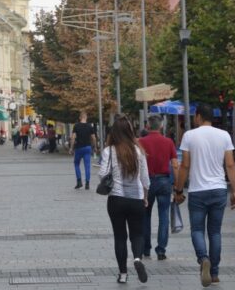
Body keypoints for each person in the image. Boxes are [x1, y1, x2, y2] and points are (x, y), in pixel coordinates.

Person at [174, 104, 235, 287]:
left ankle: (203, 258)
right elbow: (230, 165)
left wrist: (179, 190)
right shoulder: (224, 135)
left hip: (197, 191)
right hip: (219, 189)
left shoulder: (189, 136)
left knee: (196, 230)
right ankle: (215, 272)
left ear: (199, 116)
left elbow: (185, 166)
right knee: (215, 232)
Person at [99, 114, 150, 284]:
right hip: (136, 199)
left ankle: (122, 274)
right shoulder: (138, 151)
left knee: (119, 236)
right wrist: (145, 197)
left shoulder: (109, 151)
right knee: (137, 234)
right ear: (130, 131)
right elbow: (145, 179)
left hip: (116, 199)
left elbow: (102, 174)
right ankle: (137, 258)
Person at [139, 115, 179, 260]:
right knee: (164, 216)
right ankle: (161, 250)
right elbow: (175, 164)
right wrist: (177, 185)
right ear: (161, 126)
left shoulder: (140, 142)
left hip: (146, 183)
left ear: (147, 126)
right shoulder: (168, 142)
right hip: (164, 181)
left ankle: (146, 248)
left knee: (145, 215)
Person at [69, 111, 97, 190]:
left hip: (79, 148)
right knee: (87, 165)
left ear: (80, 118)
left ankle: (79, 182)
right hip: (87, 148)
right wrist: (95, 147)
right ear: (86, 117)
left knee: (76, 164)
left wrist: (71, 148)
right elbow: (93, 138)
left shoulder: (76, 126)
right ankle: (87, 183)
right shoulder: (90, 126)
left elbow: (73, 137)